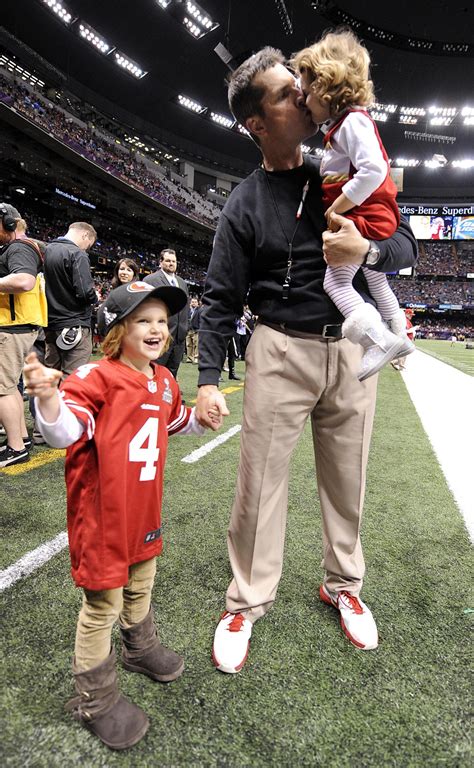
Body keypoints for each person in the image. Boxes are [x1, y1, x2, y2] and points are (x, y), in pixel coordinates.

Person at [194, 47, 417, 674]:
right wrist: (209, 379)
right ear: (257, 123)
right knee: (258, 484)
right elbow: (218, 297)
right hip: (278, 348)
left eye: (301, 86)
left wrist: (367, 250)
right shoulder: (243, 202)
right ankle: (247, 598)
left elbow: (404, 244)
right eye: (285, 94)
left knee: (348, 478)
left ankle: (343, 585)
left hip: (348, 347)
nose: (304, 95)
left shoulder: (345, 166)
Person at [24, 280, 221, 750]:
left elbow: (174, 420)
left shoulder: (163, 378)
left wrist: (202, 418)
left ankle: (140, 646)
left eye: (161, 321)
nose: (156, 329)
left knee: (142, 581)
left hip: (144, 509)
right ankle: (95, 697)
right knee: (102, 607)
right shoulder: (95, 376)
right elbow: (64, 431)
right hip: (104, 517)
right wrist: (48, 398)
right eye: (142, 321)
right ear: (116, 329)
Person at [292, 30, 414, 381]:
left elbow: (375, 170)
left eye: (306, 90)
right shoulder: (343, 126)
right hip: (372, 218)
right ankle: (400, 334)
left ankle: (378, 340)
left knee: (336, 283)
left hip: (363, 218)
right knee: (378, 285)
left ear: (326, 85)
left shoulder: (352, 123)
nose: (303, 99)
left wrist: (337, 209)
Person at [0, 203, 47, 467]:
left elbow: (24, 281)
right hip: (18, 326)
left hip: (12, 327)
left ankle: (15, 448)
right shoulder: (21, 247)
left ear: (8, 223)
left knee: (2, 390)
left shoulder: (18, 247)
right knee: (10, 388)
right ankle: (21, 439)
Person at [43, 222, 98, 376]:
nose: (87, 248)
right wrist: (95, 297)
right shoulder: (77, 253)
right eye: (89, 245)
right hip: (74, 323)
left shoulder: (46, 250)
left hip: (50, 324)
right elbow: (85, 293)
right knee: (73, 378)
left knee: (49, 376)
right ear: (85, 235)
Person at [144, 249, 189, 380]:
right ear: (160, 262)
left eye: (174, 261)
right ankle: (152, 397)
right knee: (155, 369)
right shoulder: (150, 280)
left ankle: (168, 398)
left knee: (172, 371)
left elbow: (185, 308)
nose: (171, 264)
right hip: (160, 335)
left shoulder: (182, 282)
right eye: (168, 261)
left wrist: (186, 327)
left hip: (179, 336)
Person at [186, 296, 200, 363]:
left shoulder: (199, 310)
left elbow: (201, 320)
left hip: (196, 330)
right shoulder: (188, 310)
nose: (193, 303)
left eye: (195, 302)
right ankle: (189, 357)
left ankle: (196, 357)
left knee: (196, 345)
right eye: (192, 302)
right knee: (189, 344)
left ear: (198, 303)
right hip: (188, 330)